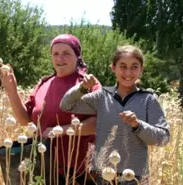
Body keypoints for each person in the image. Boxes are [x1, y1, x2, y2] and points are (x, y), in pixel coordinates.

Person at [60, 45, 170, 185]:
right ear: (113, 67)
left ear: (141, 69)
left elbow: (163, 138)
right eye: (122, 66)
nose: (128, 72)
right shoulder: (102, 96)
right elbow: (66, 105)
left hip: (135, 176)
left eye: (134, 66)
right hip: (103, 174)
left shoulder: (148, 99)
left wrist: (138, 125)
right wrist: (81, 88)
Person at [0, 34, 101, 185]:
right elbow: (26, 121)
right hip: (43, 166)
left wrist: (62, 130)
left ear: (77, 56)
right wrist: (11, 90)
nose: (60, 59)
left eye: (66, 53)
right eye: (56, 54)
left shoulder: (88, 84)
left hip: (79, 170)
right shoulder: (43, 84)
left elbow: (99, 123)